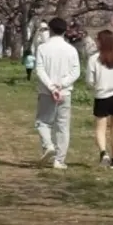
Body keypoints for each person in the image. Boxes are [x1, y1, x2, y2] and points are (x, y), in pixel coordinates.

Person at [33, 16, 80, 169]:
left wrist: (51, 87)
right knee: (62, 126)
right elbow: (76, 72)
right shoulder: (71, 49)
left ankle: (48, 145)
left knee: (43, 122)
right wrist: (62, 85)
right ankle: (59, 160)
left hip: (46, 92)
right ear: (65, 30)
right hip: (65, 92)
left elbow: (39, 70)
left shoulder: (42, 48)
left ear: (50, 30)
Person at [86, 28, 113, 168]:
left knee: (100, 128)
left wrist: (97, 85)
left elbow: (89, 81)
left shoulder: (94, 59)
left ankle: (103, 153)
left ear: (100, 42)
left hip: (101, 96)